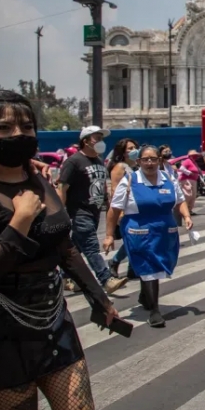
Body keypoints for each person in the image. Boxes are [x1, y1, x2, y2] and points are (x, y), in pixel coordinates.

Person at [0, 89, 121, 410]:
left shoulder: (38, 179)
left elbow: (65, 247)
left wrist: (99, 298)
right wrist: (19, 221)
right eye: (4, 128)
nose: (18, 134)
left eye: (27, 126)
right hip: (0, 339)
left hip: (55, 327)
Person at [105, 145, 192, 327]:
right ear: (139, 162)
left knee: (155, 268)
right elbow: (114, 210)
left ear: (159, 161)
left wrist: (186, 216)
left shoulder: (168, 178)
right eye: (146, 159)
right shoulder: (130, 180)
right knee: (150, 269)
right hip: (139, 233)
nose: (150, 163)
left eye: (153, 159)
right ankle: (154, 311)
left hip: (165, 233)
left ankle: (146, 296)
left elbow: (180, 201)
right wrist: (109, 235)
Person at [56, 125, 127, 294]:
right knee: (90, 246)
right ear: (85, 141)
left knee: (75, 247)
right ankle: (105, 278)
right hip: (79, 212)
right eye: (96, 138)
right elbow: (62, 187)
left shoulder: (98, 161)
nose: (100, 141)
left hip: (95, 213)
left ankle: (64, 277)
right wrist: (60, 214)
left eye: (101, 138)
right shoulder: (73, 162)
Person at [106, 138, 140, 279]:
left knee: (135, 238)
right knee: (132, 239)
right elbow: (114, 190)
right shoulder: (120, 167)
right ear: (122, 152)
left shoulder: (136, 166)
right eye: (129, 148)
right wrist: (119, 212)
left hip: (136, 207)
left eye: (134, 147)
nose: (133, 150)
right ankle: (115, 261)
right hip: (123, 209)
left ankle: (132, 268)